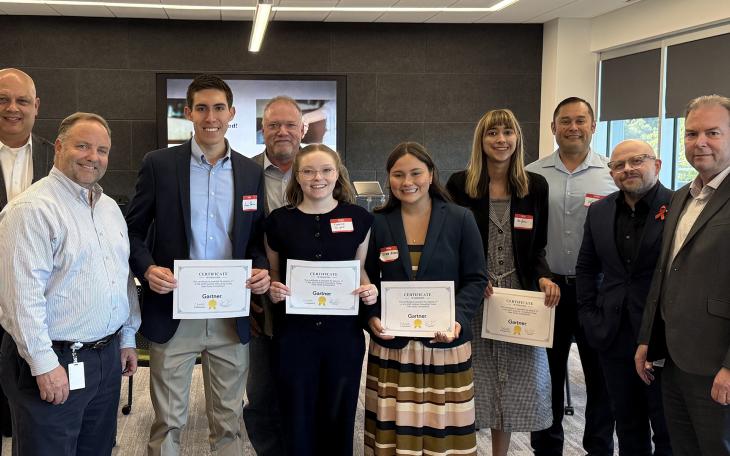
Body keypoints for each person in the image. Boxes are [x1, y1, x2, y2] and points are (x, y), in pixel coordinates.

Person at [125, 74, 270, 456]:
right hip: (175, 308)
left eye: (219, 108)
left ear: (232, 113)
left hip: (229, 311)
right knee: (168, 421)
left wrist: (259, 270)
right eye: (202, 108)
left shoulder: (250, 172)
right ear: (188, 112)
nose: (211, 117)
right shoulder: (159, 164)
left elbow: (255, 240)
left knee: (228, 419)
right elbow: (133, 232)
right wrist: (147, 269)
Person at [0, 112, 141, 456]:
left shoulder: (108, 208)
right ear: (59, 147)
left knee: (97, 449)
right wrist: (44, 364)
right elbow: (20, 298)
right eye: (83, 146)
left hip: (105, 359)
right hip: (54, 360)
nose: (93, 157)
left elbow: (119, 276)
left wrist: (126, 337)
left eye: (102, 150)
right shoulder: (31, 209)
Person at [446, 109, 560, 456]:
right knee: (473, 378)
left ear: (517, 139)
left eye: (507, 132)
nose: (500, 140)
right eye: (492, 133)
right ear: (481, 141)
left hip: (518, 298)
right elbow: (452, 243)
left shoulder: (535, 186)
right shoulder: (459, 185)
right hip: (476, 296)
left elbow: (538, 244)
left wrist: (544, 276)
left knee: (513, 381)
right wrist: (470, 278)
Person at [363, 142, 488, 455]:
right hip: (394, 348)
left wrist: (458, 320)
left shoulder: (461, 219)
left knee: (443, 436)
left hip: (444, 344)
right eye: (398, 174)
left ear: (431, 175)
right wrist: (372, 317)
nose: (408, 182)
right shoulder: (377, 222)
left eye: (416, 172)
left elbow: (475, 279)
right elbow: (364, 279)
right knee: (394, 438)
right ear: (389, 179)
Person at [265, 144, 376, 455]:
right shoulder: (277, 221)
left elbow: (360, 271)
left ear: (337, 174)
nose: (318, 178)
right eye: (309, 171)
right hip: (293, 337)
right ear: (297, 177)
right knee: (295, 418)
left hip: (343, 337)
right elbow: (275, 273)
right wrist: (274, 288)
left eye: (326, 170)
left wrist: (370, 290)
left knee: (338, 417)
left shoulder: (359, 219)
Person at [636, 94, 730, 455]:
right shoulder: (680, 197)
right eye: (691, 134)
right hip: (674, 358)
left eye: (712, 133)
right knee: (683, 447)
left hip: (716, 362)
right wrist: (647, 339)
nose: (699, 142)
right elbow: (664, 274)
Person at [525, 97, 617, 456]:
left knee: (600, 379)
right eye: (565, 121)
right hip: (547, 291)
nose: (573, 127)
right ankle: (546, 449)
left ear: (593, 126)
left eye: (581, 120)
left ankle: (598, 448)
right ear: (553, 128)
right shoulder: (533, 174)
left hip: (597, 292)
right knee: (545, 378)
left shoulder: (613, 173)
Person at [576, 139, 673, 456]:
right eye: (618, 164)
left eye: (637, 160)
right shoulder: (600, 211)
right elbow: (587, 268)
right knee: (627, 426)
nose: (627, 169)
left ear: (656, 165)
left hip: (663, 338)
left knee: (667, 431)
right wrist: (590, 317)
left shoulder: (678, 207)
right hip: (613, 335)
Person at [244, 95, 304, 455]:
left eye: (290, 125)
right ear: (262, 129)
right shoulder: (244, 173)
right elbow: (238, 237)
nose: (282, 131)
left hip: (315, 305)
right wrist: (251, 295)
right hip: (261, 304)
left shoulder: (322, 170)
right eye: (273, 125)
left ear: (303, 129)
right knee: (262, 393)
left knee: (304, 390)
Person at [0, 68, 54, 437]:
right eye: (3, 99)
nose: (12, 108)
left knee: (36, 410)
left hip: (44, 301)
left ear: (36, 106)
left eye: (21, 100)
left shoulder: (60, 156)